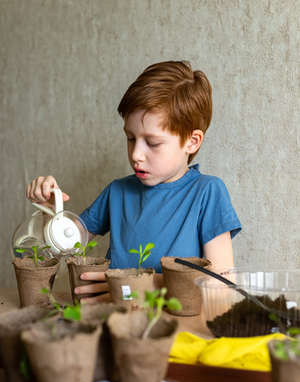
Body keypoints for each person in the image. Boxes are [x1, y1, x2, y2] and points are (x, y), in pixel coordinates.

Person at [26, 60, 241, 303]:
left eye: (152, 143)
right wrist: (52, 211)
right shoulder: (117, 191)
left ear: (192, 141)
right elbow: (64, 246)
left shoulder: (208, 193)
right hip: (114, 319)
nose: (136, 154)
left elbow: (222, 283)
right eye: (130, 138)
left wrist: (136, 286)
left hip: (177, 326)